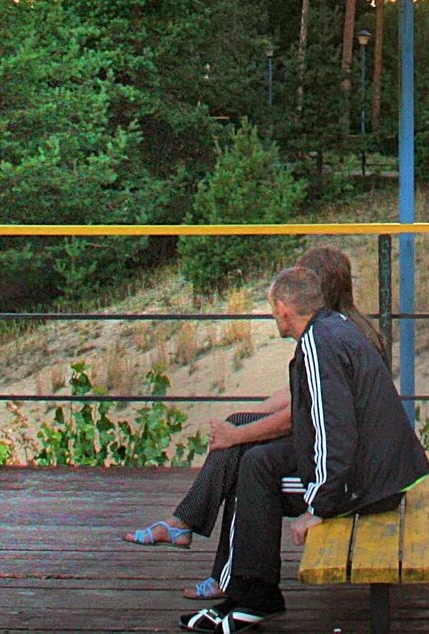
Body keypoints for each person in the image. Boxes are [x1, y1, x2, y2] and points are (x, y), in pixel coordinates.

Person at [182, 262, 429, 631]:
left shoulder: (319, 344)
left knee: (253, 478)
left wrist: (320, 506)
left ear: (283, 308)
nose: (273, 317)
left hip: (370, 485)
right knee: (255, 463)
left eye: (271, 309)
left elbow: (336, 433)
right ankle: (244, 593)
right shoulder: (331, 329)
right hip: (380, 470)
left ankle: (254, 597)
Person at [127, 247, 383, 601]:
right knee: (242, 446)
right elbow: (300, 396)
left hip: (346, 464)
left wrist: (239, 434)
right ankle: (194, 534)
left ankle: (198, 540)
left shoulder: (330, 337)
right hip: (334, 444)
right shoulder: (339, 328)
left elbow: (307, 417)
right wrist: (247, 419)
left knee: (248, 465)